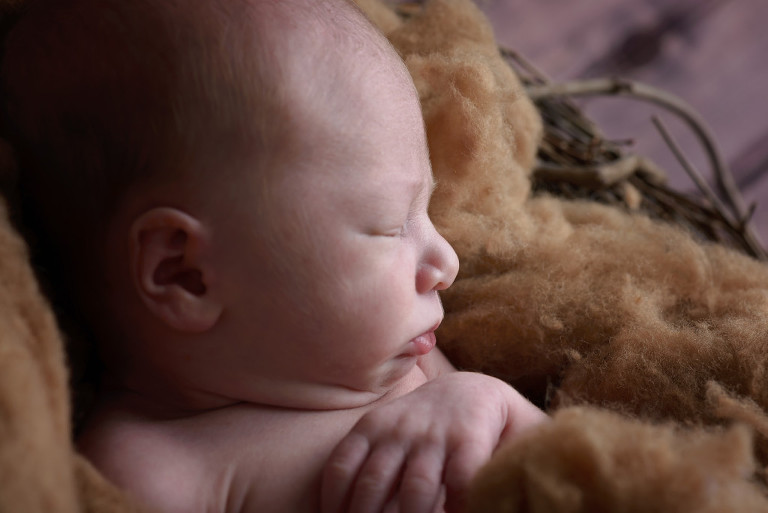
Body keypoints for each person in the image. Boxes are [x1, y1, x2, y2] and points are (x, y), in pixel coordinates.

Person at [1, 0, 548, 511]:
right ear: (185, 275)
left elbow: (579, 470)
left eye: (425, 211)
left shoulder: (411, 358)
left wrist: (491, 402)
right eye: (390, 227)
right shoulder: (159, 470)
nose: (445, 263)